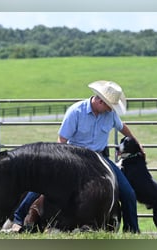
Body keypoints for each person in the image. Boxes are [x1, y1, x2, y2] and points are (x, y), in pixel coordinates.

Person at [11, 80, 143, 233]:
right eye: (109, 106)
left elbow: (122, 127)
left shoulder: (110, 115)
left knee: (128, 193)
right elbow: (62, 140)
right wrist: (63, 160)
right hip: (75, 157)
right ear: (100, 101)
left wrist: (137, 143)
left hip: (99, 158)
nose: (110, 109)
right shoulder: (76, 111)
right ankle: (19, 218)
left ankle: (132, 230)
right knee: (43, 183)